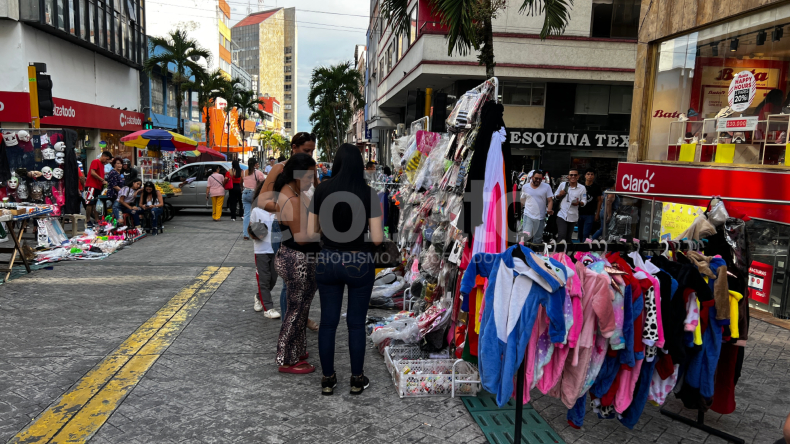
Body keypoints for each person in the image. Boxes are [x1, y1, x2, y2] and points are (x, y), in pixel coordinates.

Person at [308, 144, 384, 395]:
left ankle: (328, 379)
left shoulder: (322, 190)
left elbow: (310, 232)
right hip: (359, 262)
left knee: (328, 323)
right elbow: (375, 239)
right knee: (355, 324)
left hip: (327, 260)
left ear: (337, 163)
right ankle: (356, 379)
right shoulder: (368, 193)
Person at [257, 132, 317, 323]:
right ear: (294, 148)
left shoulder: (310, 168)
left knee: (306, 279)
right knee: (289, 281)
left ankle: (299, 319)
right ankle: (288, 324)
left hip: (307, 227)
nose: (310, 154)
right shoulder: (279, 168)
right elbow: (262, 200)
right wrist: (286, 208)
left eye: (313, 151)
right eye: (306, 150)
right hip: (282, 228)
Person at [272, 153, 320, 374]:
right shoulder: (290, 198)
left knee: (301, 309)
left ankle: (297, 350)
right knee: (296, 310)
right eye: (310, 176)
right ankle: (286, 358)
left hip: (297, 257)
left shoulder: (294, 193)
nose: (313, 180)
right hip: (296, 259)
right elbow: (302, 236)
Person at [250, 179, 281, 319]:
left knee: (273, 279)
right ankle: (268, 308)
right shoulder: (256, 210)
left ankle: (258, 296)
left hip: (276, 249)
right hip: (261, 250)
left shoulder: (280, 208)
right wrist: (256, 232)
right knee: (264, 279)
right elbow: (251, 229)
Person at [519, 170, 554, 243]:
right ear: (532, 177)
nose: (538, 180)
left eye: (540, 179)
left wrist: (549, 210)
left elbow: (550, 200)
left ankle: (535, 253)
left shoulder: (546, 187)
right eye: (536, 178)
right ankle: (525, 252)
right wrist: (517, 210)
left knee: (538, 237)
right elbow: (523, 199)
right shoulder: (525, 187)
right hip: (528, 214)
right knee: (526, 236)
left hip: (540, 216)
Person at [554, 168, 587, 243]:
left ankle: (566, 253)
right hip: (562, 214)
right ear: (568, 176)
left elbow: (584, 201)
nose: (573, 177)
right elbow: (555, 196)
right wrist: (560, 195)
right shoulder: (563, 185)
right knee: (562, 235)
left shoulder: (582, 188)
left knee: (568, 237)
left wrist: (578, 203)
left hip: (573, 216)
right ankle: (559, 253)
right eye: (571, 175)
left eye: (575, 175)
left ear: (578, 176)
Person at [84, 151, 112, 227]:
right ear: (103, 156)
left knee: (96, 204)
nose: (107, 162)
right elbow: (93, 172)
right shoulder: (95, 161)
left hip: (98, 186)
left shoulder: (102, 165)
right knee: (90, 203)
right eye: (106, 159)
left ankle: (97, 220)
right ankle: (88, 220)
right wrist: (102, 180)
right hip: (91, 185)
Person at [242, 158, 265, 240]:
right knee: (257, 213)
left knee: (246, 215)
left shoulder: (244, 172)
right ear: (255, 164)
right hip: (254, 194)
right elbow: (263, 183)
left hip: (245, 193)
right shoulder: (258, 173)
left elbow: (242, 183)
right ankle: (257, 232)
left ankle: (245, 234)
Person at [577, 168, 602, 242]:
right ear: (585, 176)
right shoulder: (580, 186)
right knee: (580, 233)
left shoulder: (596, 187)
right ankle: (579, 249)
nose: (590, 176)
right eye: (588, 174)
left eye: (592, 174)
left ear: (594, 176)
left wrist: (597, 213)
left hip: (590, 214)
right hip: (579, 212)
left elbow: (599, 201)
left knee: (586, 233)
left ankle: (584, 250)